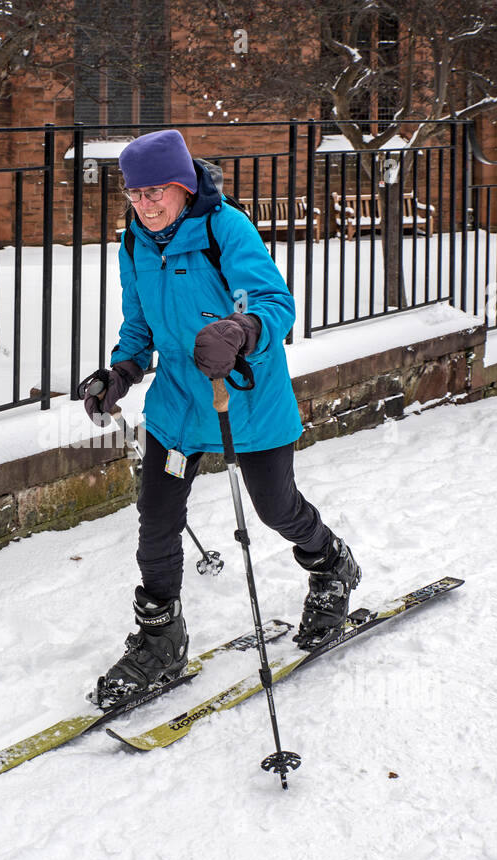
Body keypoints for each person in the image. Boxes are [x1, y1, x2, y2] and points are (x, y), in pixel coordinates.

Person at [79, 129, 361, 708]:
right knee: (156, 516)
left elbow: (275, 304)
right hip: (179, 407)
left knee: (275, 508)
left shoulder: (223, 228)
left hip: (244, 399)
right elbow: (139, 327)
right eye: (135, 194)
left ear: (183, 186)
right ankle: (161, 637)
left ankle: (332, 566)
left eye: (156, 191)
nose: (145, 204)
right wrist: (121, 373)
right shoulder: (132, 244)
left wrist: (240, 330)